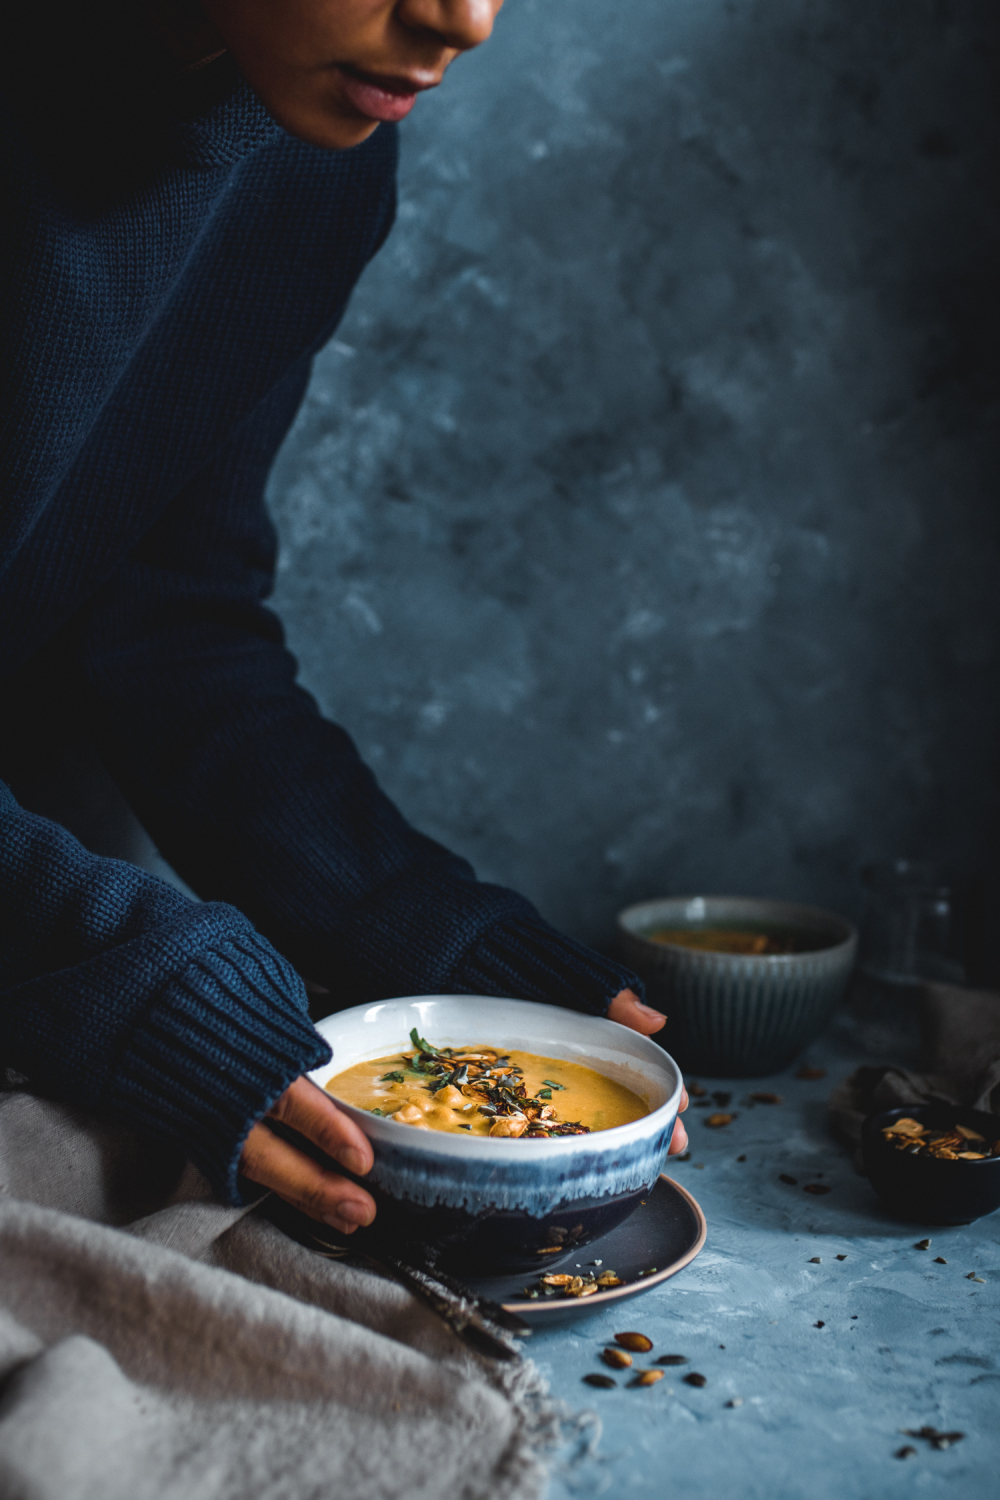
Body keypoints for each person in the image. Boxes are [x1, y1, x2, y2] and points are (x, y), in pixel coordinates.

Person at [0, 0, 687, 1237]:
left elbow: (168, 624)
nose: (462, 20)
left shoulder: (313, 167)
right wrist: (112, 956)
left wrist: (422, 940)